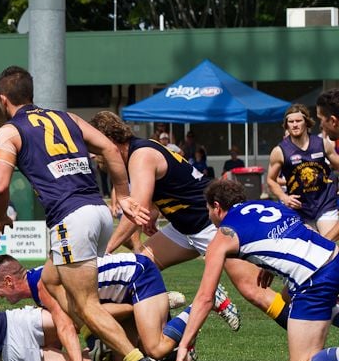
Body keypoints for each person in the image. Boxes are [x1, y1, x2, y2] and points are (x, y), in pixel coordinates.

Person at [0, 67, 157, 361]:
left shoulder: (10, 131)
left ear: (2, 99)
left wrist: (0, 218)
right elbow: (109, 148)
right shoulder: (66, 117)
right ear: (31, 93)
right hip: (97, 212)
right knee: (51, 281)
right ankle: (99, 337)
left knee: (85, 303)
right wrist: (122, 193)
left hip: (70, 219)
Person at [90, 111, 283, 330]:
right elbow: (163, 189)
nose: (96, 156)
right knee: (138, 271)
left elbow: (136, 210)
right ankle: (167, 343)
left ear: (110, 141)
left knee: (254, 291)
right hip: (184, 228)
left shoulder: (140, 155)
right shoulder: (140, 151)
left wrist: (106, 251)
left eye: (96, 149)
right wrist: (153, 212)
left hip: (212, 223)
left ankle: (308, 328)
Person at [174, 178, 339, 361]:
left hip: (313, 278)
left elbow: (205, 298)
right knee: (286, 296)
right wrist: (269, 265)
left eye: (208, 209)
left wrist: (184, 344)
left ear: (217, 207)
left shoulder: (223, 236)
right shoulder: (270, 205)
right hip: (333, 256)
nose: (209, 216)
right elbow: (298, 232)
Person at [0, 253, 194, 361]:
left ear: (10, 281)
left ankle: (203, 304)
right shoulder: (38, 282)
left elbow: (66, 325)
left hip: (137, 275)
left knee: (155, 348)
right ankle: (151, 315)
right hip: (122, 295)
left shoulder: (41, 285)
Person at [265, 104, 339, 240]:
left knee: (326, 243)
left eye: (298, 121)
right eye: (291, 122)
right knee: (309, 248)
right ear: (286, 125)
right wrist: (284, 197)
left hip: (325, 202)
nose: (294, 125)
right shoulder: (279, 151)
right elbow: (270, 180)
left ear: (306, 122)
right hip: (300, 208)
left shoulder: (322, 144)